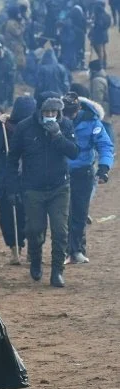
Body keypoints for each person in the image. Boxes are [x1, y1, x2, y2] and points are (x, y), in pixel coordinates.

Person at [7, 92, 79, 287]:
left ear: (59, 112)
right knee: (34, 229)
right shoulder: (24, 128)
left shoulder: (65, 125)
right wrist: (12, 188)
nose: (50, 115)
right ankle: (36, 259)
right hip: (32, 188)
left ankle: (57, 271)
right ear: (38, 110)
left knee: (60, 231)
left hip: (59, 186)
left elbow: (73, 152)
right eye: (46, 111)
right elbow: (12, 159)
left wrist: (57, 135)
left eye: (54, 111)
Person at [62, 93, 114, 264]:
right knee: (64, 213)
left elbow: (104, 145)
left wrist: (104, 167)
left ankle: (76, 251)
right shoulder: (57, 120)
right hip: (60, 173)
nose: (69, 116)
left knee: (79, 212)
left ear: (79, 108)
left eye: (71, 112)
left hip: (84, 172)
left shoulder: (92, 122)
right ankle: (65, 250)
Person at [0, 97, 34, 265]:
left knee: (30, 215)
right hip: (6, 178)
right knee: (8, 215)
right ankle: (15, 249)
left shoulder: (35, 127)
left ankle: (32, 250)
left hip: (29, 178)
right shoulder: (5, 127)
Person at [3, 7, 27, 72]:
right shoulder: (11, 23)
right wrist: (22, 25)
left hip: (17, 45)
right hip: (13, 46)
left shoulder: (14, 21)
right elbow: (17, 32)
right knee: (16, 63)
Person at [89, 2, 111, 69]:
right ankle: (104, 63)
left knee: (99, 51)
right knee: (103, 50)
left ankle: (101, 65)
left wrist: (93, 25)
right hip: (104, 34)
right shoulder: (106, 15)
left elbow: (98, 26)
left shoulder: (98, 16)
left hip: (98, 35)